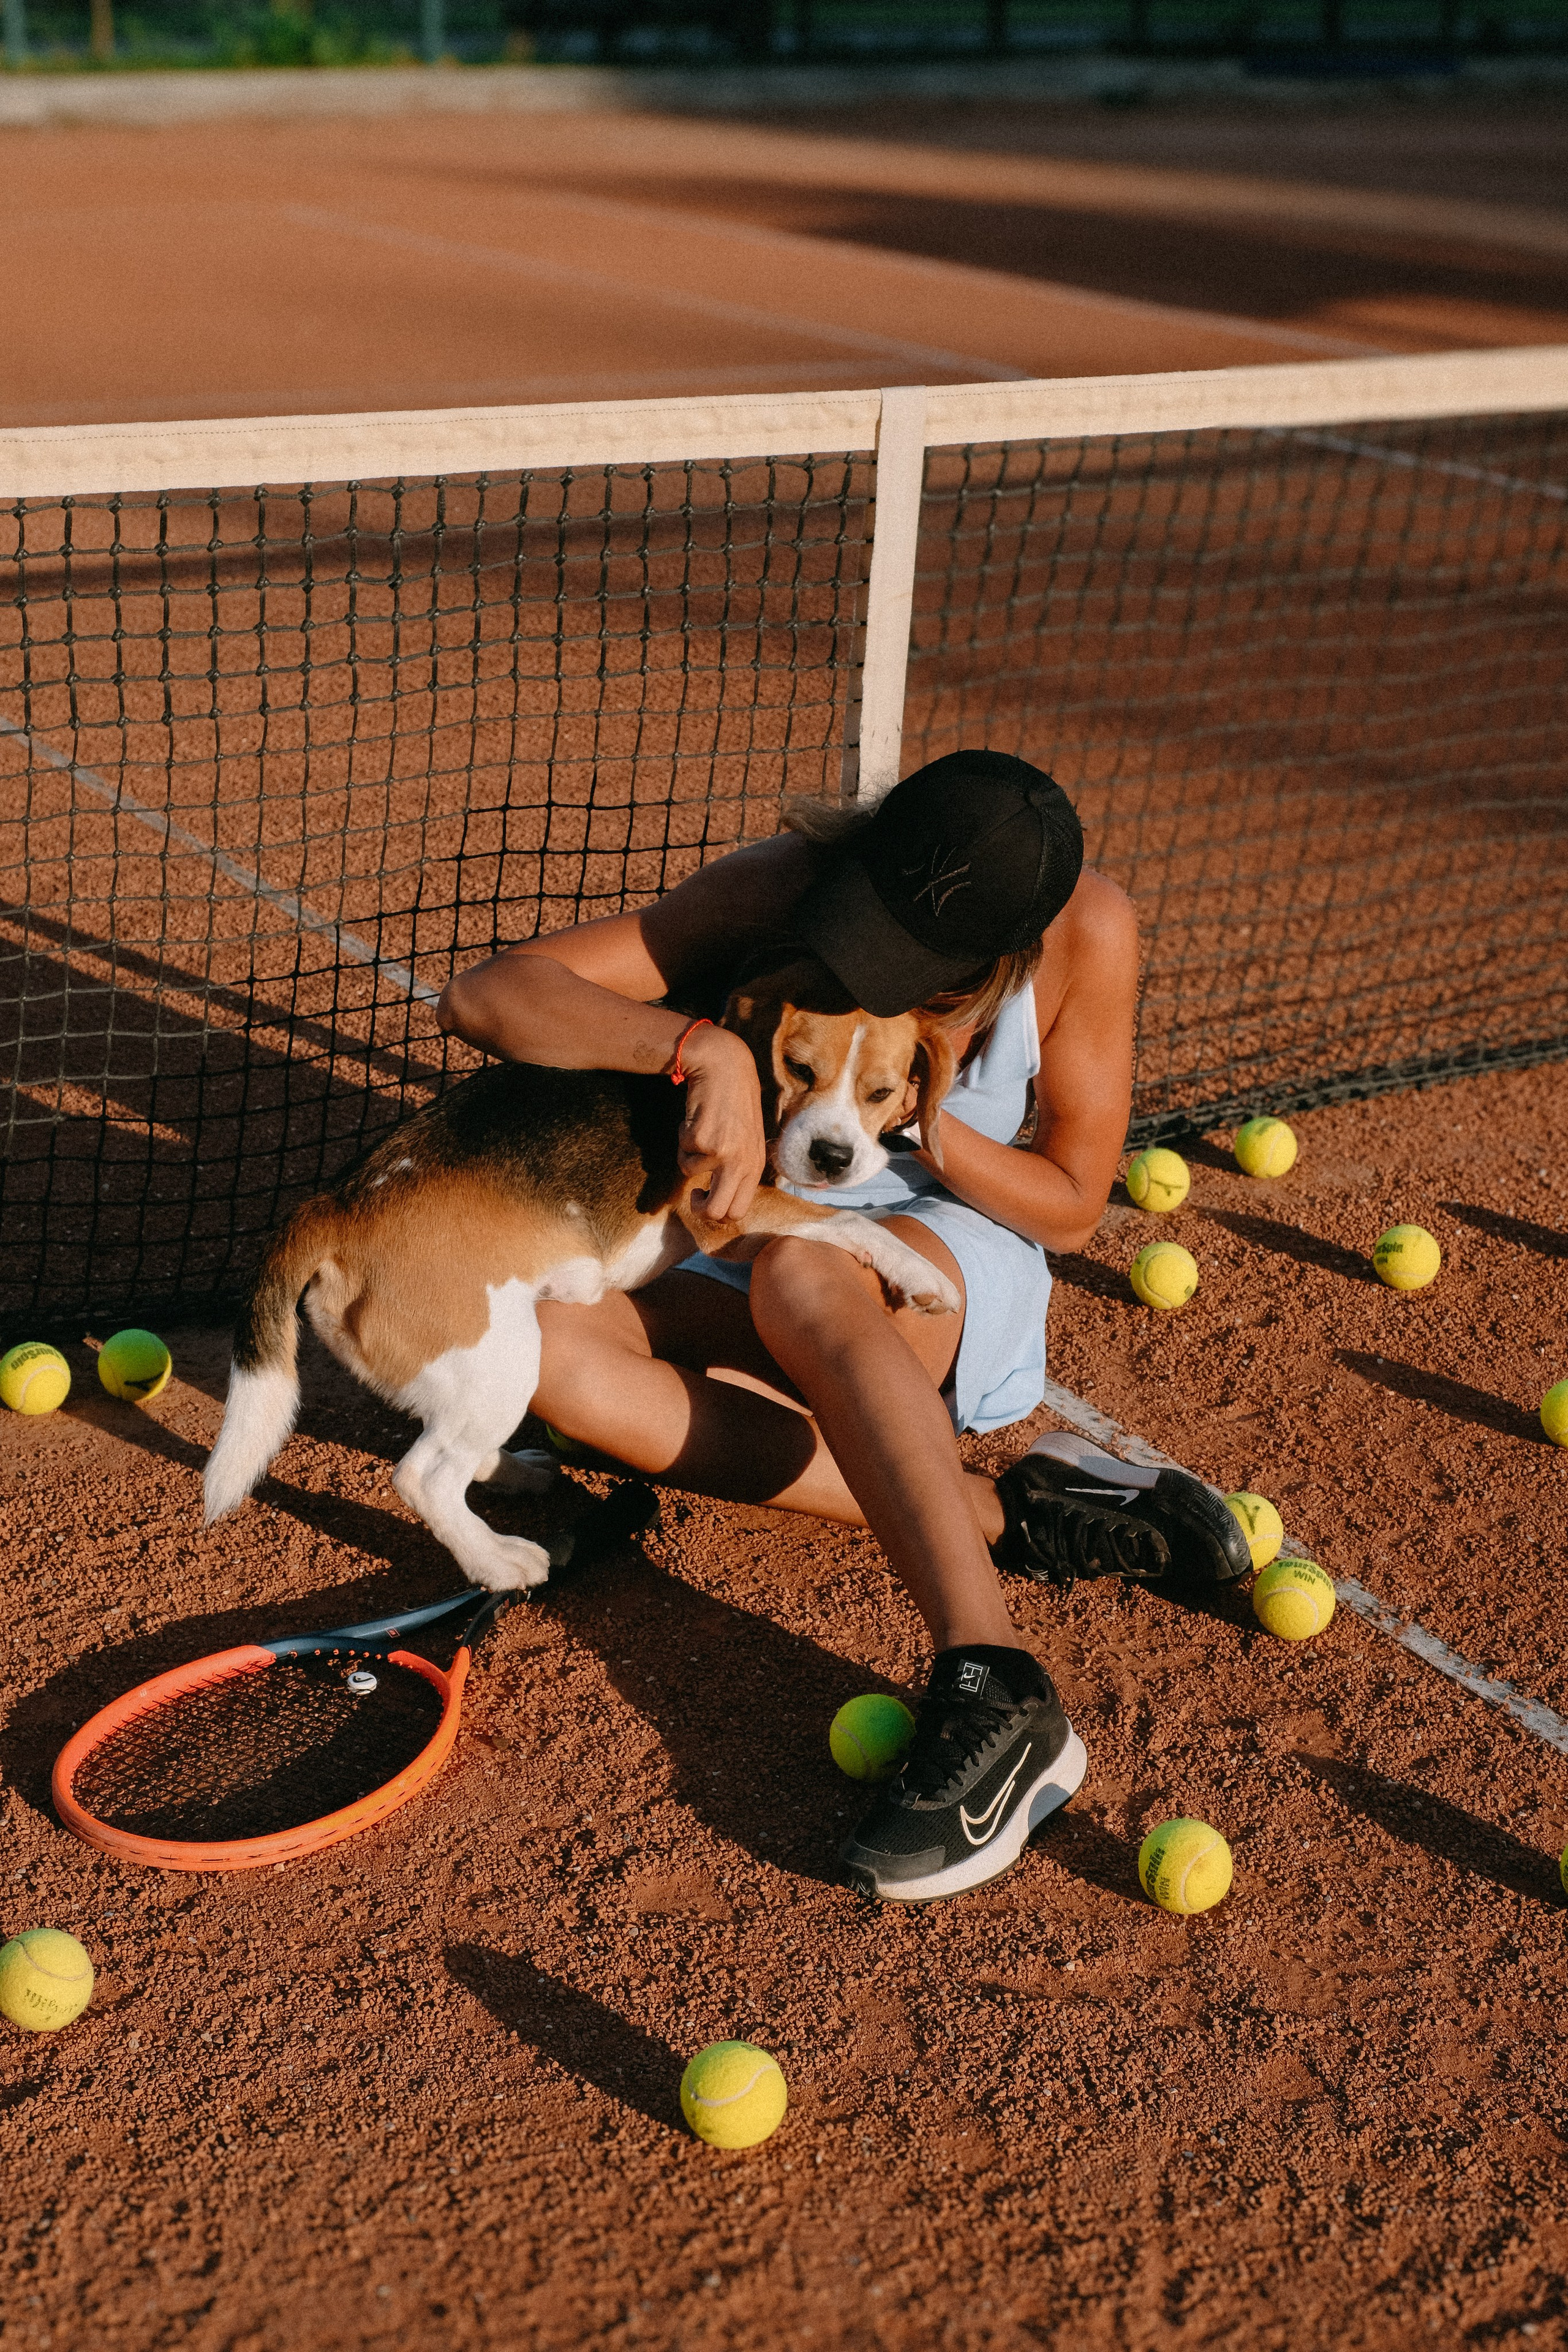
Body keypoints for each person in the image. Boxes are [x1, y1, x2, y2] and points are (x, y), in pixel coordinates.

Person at [437, 750, 1249, 1902]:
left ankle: (995, 1677)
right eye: (870, 931)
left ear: (1004, 957)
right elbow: (487, 995)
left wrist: (928, 1124)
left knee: (806, 1283)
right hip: (751, 1226)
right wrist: (698, 1046)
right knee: (548, 1354)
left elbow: (1072, 1203)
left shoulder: (1091, 934)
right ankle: (1011, 1510)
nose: (875, 969)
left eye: (919, 968)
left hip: (939, 1243)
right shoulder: (788, 884)